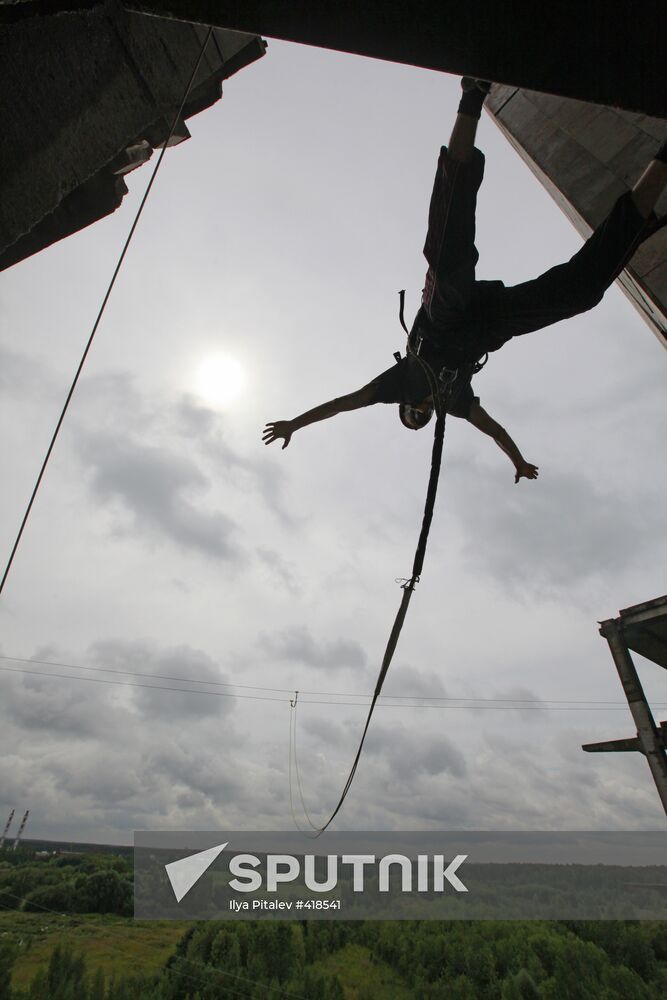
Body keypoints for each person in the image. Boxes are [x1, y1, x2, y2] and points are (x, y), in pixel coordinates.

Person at [263, 78, 667, 484]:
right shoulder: (454, 403)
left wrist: (295, 424)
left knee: (448, 258)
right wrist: (518, 462)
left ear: (404, 409)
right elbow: (495, 431)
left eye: (412, 417)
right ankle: (646, 197)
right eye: (421, 421)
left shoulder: (397, 385)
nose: (419, 416)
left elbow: (342, 404)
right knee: (578, 293)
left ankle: (472, 96)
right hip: (488, 326)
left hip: (442, 318)